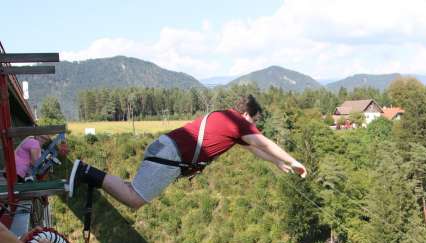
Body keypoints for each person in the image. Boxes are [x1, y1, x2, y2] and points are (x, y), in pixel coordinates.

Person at [68, 95, 307, 209]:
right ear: (247, 115)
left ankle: (88, 173)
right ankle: (86, 171)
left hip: (167, 150)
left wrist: (279, 163)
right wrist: (294, 161)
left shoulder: (227, 121)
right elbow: (264, 143)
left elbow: (256, 149)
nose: (254, 126)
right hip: (171, 157)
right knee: (134, 199)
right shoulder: (238, 122)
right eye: (254, 121)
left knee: (132, 190)